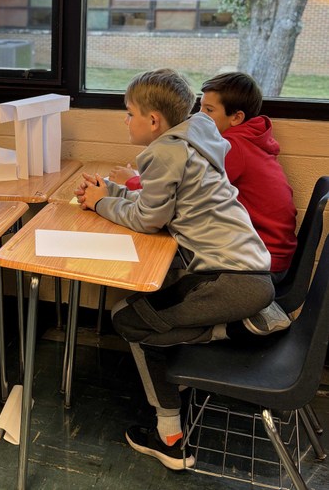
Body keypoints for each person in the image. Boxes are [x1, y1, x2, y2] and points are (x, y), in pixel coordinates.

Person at [75, 69, 274, 471]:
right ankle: (234, 328)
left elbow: (150, 220)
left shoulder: (164, 152)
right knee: (149, 315)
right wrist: (110, 192)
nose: (124, 120)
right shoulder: (196, 132)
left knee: (129, 319)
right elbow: (160, 203)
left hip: (229, 282)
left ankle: (170, 439)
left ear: (153, 121)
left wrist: (99, 204)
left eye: (128, 113)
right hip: (250, 271)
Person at [200, 72, 297, 333]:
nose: (199, 117)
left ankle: (241, 321)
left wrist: (133, 182)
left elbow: (189, 187)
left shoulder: (233, 146)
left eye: (208, 110)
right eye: (200, 107)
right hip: (273, 256)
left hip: (261, 266)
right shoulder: (249, 139)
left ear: (236, 117)